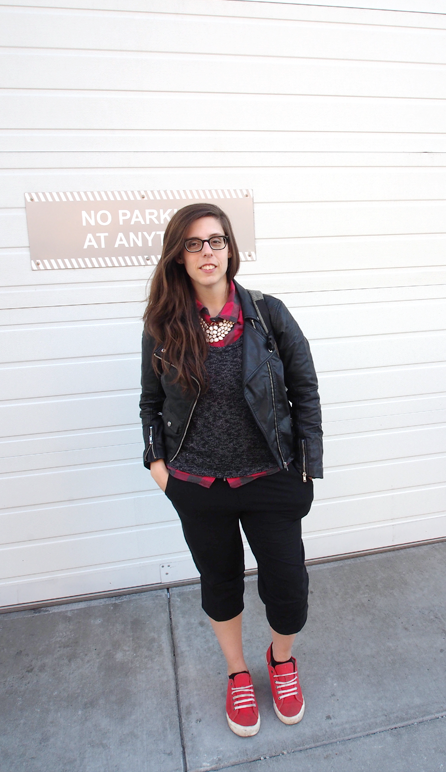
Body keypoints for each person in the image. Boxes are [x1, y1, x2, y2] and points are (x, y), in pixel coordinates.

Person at [139, 202, 323, 738]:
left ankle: (281, 661)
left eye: (215, 241)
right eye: (193, 244)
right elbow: (150, 403)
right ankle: (238, 673)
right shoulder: (164, 326)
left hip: (270, 477)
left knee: (288, 588)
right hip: (197, 484)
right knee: (220, 585)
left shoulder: (268, 313)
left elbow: (304, 391)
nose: (206, 253)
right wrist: (157, 466)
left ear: (230, 249)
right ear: (179, 256)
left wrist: (307, 467)